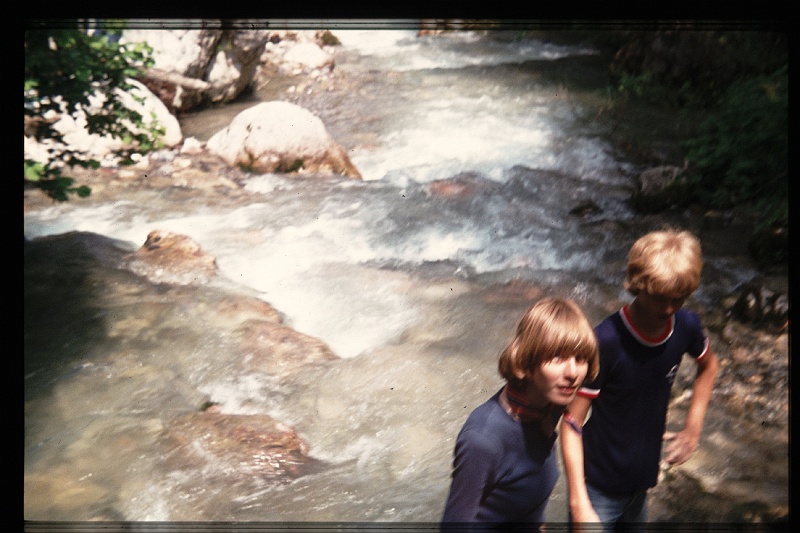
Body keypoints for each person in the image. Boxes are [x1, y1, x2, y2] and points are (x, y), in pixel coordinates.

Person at [561, 229, 720, 531]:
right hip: (597, 488)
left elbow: (709, 367)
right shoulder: (606, 341)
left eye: (679, 298)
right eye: (660, 298)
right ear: (638, 285)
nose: (669, 308)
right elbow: (571, 422)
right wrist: (578, 501)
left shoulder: (686, 325)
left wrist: (692, 428)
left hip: (641, 485)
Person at [441, 297, 600, 528]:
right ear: (528, 361)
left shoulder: (549, 407)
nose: (573, 372)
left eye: (581, 358)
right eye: (557, 358)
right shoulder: (482, 440)